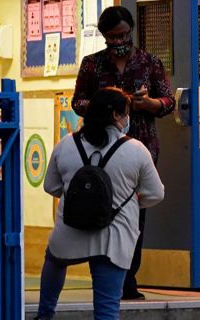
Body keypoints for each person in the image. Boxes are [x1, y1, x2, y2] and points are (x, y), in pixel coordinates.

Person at [72, 5, 174, 300]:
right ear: (104, 37)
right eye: (112, 37)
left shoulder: (149, 62)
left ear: (132, 31)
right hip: (100, 152)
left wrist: (148, 104)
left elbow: (167, 100)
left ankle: (129, 280)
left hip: (140, 149)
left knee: (134, 218)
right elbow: (77, 102)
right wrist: (106, 105)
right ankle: (104, 279)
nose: (119, 41)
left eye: (124, 35)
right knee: (100, 214)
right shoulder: (92, 65)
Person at [37, 87, 164, 320]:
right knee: (106, 311)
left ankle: (45, 313)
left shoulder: (67, 144)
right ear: (116, 116)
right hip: (113, 238)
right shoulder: (136, 150)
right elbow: (155, 193)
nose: (128, 118)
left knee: (54, 258)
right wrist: (132, 200)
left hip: (70, 232)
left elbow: (51, 186)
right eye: (126, 113)